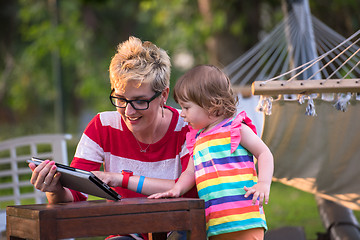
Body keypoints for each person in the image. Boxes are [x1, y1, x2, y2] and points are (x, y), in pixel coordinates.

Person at [28, 36, 197, 240]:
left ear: (163, 96)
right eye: (120, 99)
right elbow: (75, 196)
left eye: (140, 101)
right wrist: (54, 189)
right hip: (127, 232)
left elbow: (189, 189)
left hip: (178, 230)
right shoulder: (103, 126)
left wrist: (122, 179)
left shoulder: (188, 126)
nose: (128, 111)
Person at [149, 65, 274, 240]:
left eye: (186, 108)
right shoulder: (196, 139)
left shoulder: (236, 128)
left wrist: (263, 183)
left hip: (245, 219)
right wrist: (176, 189)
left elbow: (264, 153)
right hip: (215, 224)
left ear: (211, 104)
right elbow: (190, 172)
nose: (182, 114)